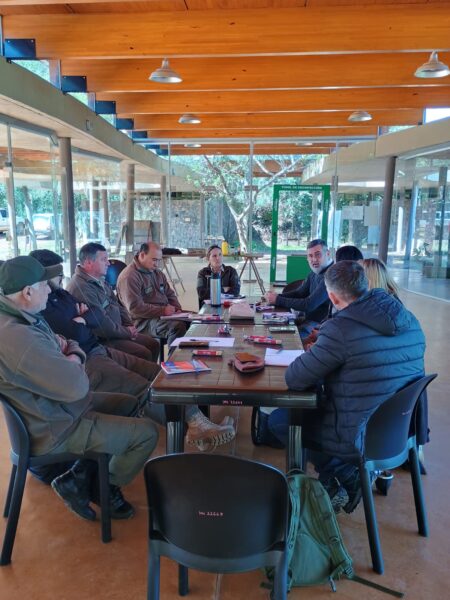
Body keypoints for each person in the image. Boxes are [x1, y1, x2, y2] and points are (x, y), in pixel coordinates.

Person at [0, 255, 159, 521]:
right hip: (56, 425)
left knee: (128, 403)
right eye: (44, 286)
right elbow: (77, 386)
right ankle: (104, 488)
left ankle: (78, 477)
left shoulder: (23, 316)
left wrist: (70, 351)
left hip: (58, 408)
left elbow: (63, 340)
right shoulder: (19, 338)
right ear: (27, 292)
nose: (51, 290)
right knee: (147, 434)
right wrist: (75, 356)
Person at [32, 249, 236, 452]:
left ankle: (195, 420)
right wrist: (86, 321)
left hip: (98, 347)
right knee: (143, 387)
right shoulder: (47, 302)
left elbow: (99, 313)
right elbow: (81, 327)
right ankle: (194, 425)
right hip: (90, 358)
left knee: (161, 373)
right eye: (55, 276)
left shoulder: (59, 293)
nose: (109, 263)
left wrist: (83, 320)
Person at [269, 261, 425, 513]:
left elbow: (295, 379)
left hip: (358, 435)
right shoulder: (409, 319)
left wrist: (316, 354)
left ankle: (344, 474)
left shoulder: (340, 328)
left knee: (279, 420)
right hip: (400, 431)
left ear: (331, 296)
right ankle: (344, 476)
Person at [66, 242, 159, 362]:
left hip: (119, 331)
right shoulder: (81, 288)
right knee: (143, 353)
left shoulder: (99, 279)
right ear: (89, 262)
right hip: (104, 339)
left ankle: (153, 378)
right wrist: (126, 332)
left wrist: (128, 325)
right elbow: (101, 325)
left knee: (153, 344)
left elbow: (118, 304)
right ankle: (142, 379)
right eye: (104, 259)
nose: (108, 263)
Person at [116, 241, 187, 347]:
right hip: (141, 321)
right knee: (177, 327)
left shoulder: (157, 273)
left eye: (159, 260)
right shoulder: (130, 276)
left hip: (161, 316)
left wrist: (177, 309)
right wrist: (163, 311)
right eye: (154, 260)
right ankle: (174, 362)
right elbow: (135, 308)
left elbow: (170, 294)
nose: (157, 264)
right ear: (142, 255)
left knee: (194, 322)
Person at [264, 239, 333, 331]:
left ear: (327, 254)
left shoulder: (331, 275)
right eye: (310, 256)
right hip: (307, 320)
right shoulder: (316, 271)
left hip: (319, 326)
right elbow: (300, 293)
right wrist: (275, 297)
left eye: (318, 254)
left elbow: (309, 304)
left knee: (283, 337)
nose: (314, 259)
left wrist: (278, 300)